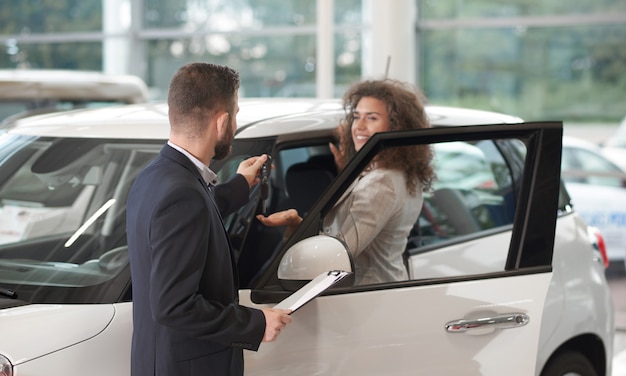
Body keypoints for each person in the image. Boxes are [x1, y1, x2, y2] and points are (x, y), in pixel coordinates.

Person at [126, 62, 292, 376]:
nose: (235, 122)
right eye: (237, 114)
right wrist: (255, 323)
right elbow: (173, 306)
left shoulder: (154, 177)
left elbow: (189, 216)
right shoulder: (182, 193)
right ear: (223, 121)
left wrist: (241, 185)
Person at [257, 78, 434, 285]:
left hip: (368, 296)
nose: (358, 126)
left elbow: (340, 253)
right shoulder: (398, 173)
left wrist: (297, 224)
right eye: (357, 117)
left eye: (372, 118)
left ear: (396, 126)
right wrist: (347, 170)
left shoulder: (382, 181)